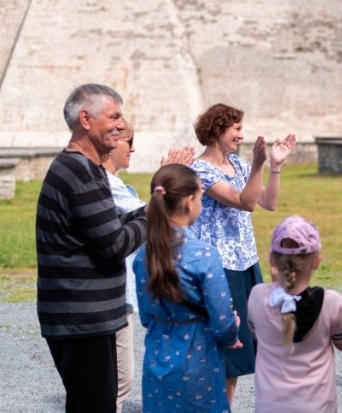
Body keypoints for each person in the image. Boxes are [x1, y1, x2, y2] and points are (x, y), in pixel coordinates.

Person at [36, 84, 147, 413]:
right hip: (82, 318)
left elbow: (109, 225)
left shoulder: (86, 169)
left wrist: (147, 210)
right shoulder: (79, 173)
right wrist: (154, 215)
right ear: (86, 118)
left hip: (84, 315)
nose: (120, 124)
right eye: (114, 116)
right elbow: (115, 244)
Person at [190, 103, 297, 405]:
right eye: (235, 128)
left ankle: (226, 406)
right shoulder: (199, 170)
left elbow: (268, 202)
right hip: (218, 267)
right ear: (217, 130)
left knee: (237, 348)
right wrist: (259, 164)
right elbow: (244, 202)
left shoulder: (237, 165)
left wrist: (274, 165)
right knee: (221, 346)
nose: (241, 134)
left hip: (245, 262)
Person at [101, 119, 195, 413]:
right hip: (113, 297)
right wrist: (167, 181)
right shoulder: (105, 183)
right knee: (119, 379)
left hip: (117, 294)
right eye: (130, 142)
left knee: (114, 379)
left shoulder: (113, 184)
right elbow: (152, 215)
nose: (134, 148)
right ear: (113, 143)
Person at [133, 164, 241, 412]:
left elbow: (146, 315)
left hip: (157, 359)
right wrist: (232, 332)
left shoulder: (143, 255)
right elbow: (222, 321)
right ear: (189, 202)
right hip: (198, 362)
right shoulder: (204, 255)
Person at [246, 215, 342, 413]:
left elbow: (257, 334)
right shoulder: (330, 302)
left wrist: (274, 286)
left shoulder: (258, 297)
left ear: (272, 259)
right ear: (317, 261)